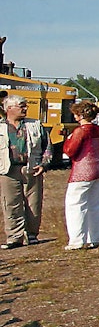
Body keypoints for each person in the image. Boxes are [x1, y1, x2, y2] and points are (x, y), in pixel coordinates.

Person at [0, 94, 53, 249]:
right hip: (8, 171)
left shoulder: (35, 125)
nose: (25, 108)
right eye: (21, 106)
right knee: (10, 204)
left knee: (33, 203)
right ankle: (14, 237)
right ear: (9, 109)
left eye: (25, 105)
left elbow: (47, 146)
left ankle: (32, 235)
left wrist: (44, 164)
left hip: (32, 169)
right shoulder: (1, 127)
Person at [62, 101, 99, 250]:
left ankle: (77, 240)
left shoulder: (80, 131)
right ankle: (94, 238)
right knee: (96, 205)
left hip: (83, 171)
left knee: (75, 204)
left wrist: (68, 139)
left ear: (79, 115)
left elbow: (70, 151)